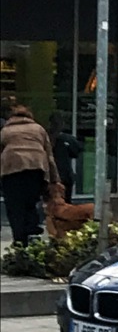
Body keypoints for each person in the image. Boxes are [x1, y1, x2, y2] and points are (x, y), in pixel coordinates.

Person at [1, 103, 57, 246]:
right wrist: (54, 179)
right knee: (31, 202)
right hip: (36, 168)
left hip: (11, 170)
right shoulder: (39, 129)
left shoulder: (5, 130)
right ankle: (33, 232)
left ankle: (19, 240)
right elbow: (49, 155)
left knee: (15, 206)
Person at [47, 112, 84, 198]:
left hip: (50, 176)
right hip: (65, 175)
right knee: (66, 204)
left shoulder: (45, 138)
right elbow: (76, 152)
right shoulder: (67, 139)